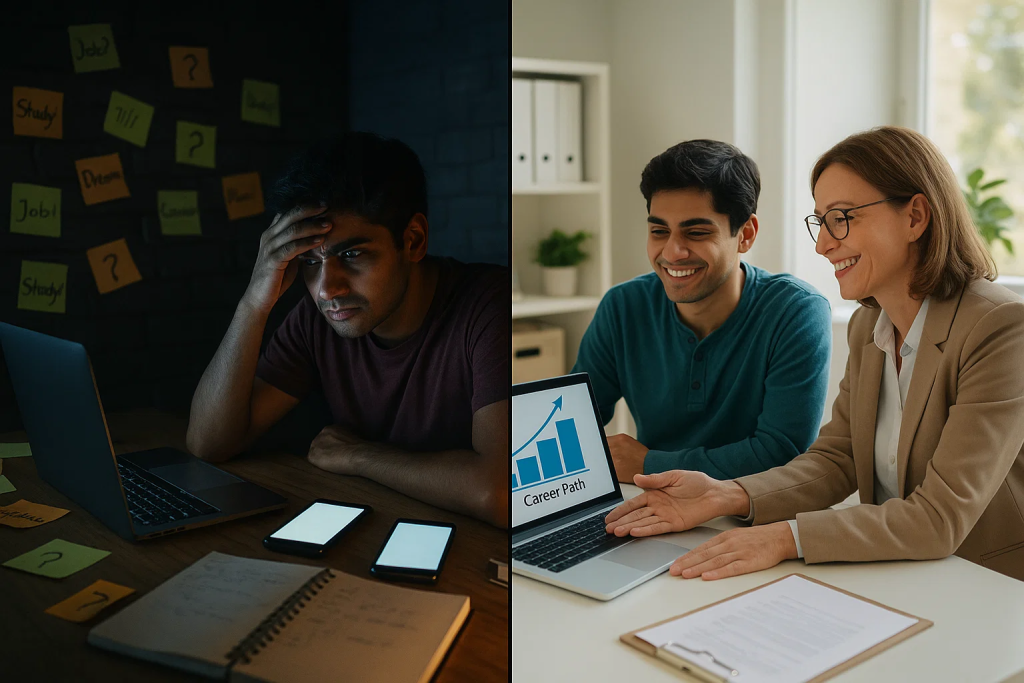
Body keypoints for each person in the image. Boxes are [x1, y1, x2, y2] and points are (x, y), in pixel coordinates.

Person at [605, 126, 1024, 582]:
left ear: (915, 217)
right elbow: (836, 459)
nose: (824, 244)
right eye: (821, 221)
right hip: (897, 574)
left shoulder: (999, 328)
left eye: (842, 217)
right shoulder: (870, 326)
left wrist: (784, 538)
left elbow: (938, 519)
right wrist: (725, 495)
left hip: (986, 587)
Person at [186, 132, 510, 528]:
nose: (327, 289)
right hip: (374, 528)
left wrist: (360, 455)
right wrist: (254, 302)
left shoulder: (490, 307)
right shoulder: (318, 318)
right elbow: (208, 444)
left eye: (352, 254)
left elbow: (497, 491)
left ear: (413, 240)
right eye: (309, 261)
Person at [571, 139, 832, 483]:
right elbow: (575, 423)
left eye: (696, 232)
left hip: (752, 515)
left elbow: (781, 453)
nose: (672, 252)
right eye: (658, 231)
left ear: (746, 235)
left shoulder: (795, 313)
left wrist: (649, 464)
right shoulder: (623, 307)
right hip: (652, 504)